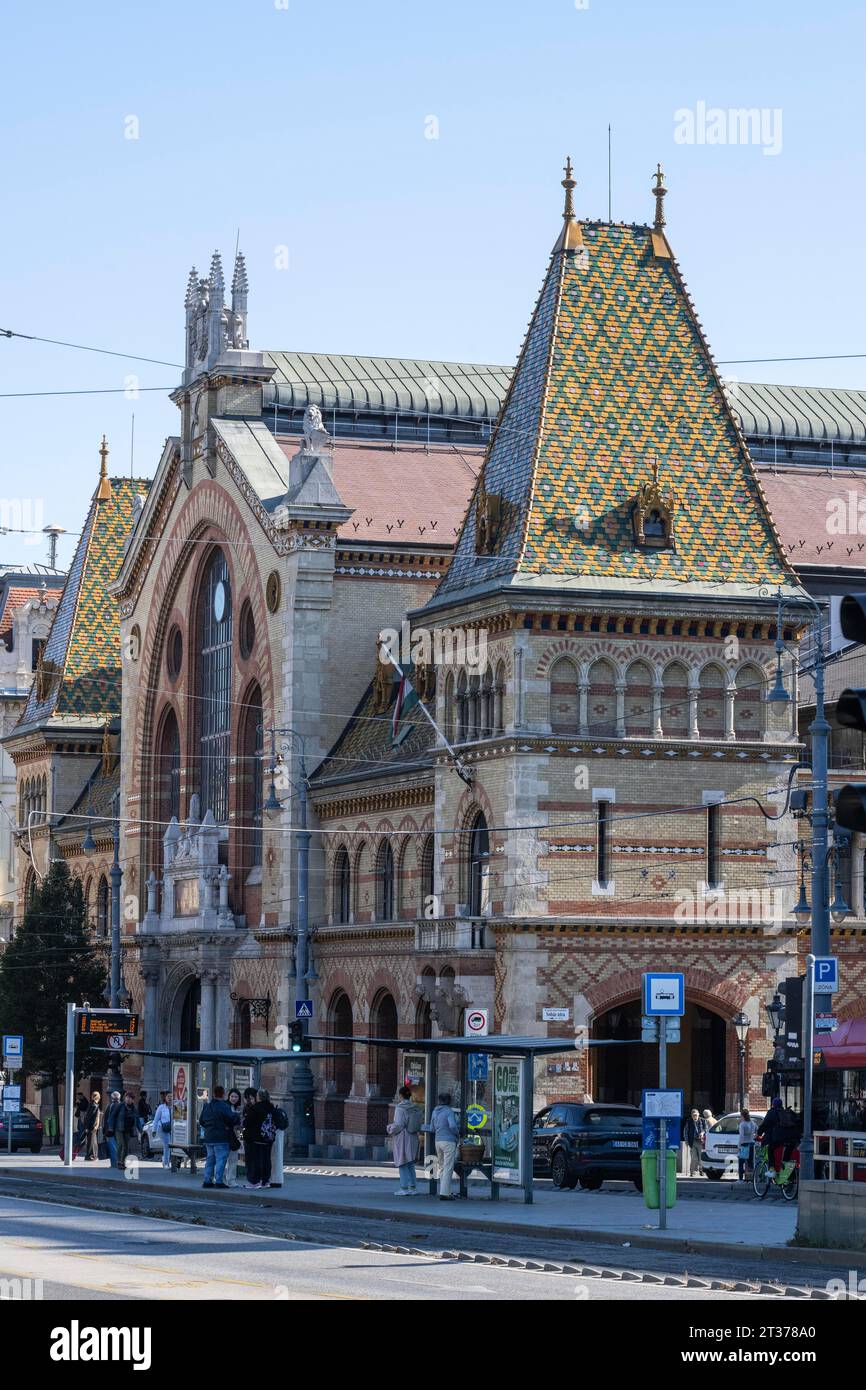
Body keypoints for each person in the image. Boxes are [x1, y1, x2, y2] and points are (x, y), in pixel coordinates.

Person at [386, 1084, 422, 1195]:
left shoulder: (400, 1108)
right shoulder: (415, 1107)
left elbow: (399, 1125)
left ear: (400, 1095)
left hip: (403, 1137)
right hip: (413, 1136)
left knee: (402, 1162)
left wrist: (390, 1129)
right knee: (410, 1163)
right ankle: (413, 1188)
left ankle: (404, 1188)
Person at [199, 1085, 237, 1188]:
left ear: (214, 1094)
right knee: (221, 1159)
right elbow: (231, 1119)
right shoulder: (224, 1106)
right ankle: (219, 1181)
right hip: (221, 1137)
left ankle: (207, 1180)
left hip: (209, 1137)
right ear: (223, 1094)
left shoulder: (207, 1106)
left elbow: (201, 1121)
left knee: (210, 1159)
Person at [243, 1088, 277, 1189]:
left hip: (255, 1138)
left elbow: (247, 1122)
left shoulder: (255, 1108)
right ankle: (265, 1181)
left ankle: (254, 1181)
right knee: (266, 1159)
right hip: (268, 1138)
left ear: (258, 1097)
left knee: (254, 1160)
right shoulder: (271, 1107)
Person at [430, 1091, 460, 1201]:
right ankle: (445, 1193)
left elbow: (431, 1128)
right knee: (448, 1167)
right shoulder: (449, 1112)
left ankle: (443, 1190)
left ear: (439, 1100)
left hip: (438, 1141)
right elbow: (452, 1125)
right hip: (449, 1141)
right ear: (449, 1101)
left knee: (442, 1167)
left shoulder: (434, 1111)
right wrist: (457, 1133)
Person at [756, 1096, 784, 1173]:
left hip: (774, 1138)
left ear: (773, 1105)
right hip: (785, 1138)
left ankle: (772, 1169)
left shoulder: (772, 1112)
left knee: (770, 1150)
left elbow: (765, 1124)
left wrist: (758, 1133)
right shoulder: (784, 1112)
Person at [224, 1088, 244, 1186]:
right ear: (228, 1096)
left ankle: (231, 1179)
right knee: (222, 1159)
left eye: (236, 1097)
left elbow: (240, 1126)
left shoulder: (239, 1109)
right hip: (225, 1136)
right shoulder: (225, 1106)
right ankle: (218, 1178)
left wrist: (241, 1139)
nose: (234, 1098)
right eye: (232, 1096)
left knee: (233, 1159)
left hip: (234, 1138)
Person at [241, 1087, 259, 1186]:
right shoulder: (247, 1108)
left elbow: (246, 1123)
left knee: (252, 1159)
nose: (250, 1100)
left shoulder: (251, 1109)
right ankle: (252, 1178)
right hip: (250, 1137)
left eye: (252, 1098)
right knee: (250, 1159)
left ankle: (253, 1179)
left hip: (252, 1137)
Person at [269, 1100, 289, 1188]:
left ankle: (274, 1180)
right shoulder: (279, 1113)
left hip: (274, 1136)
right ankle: (278, 1180)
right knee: (278, 1158)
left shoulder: (273, 1114)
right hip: (279, 1134)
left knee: (274, 1157)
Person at [150, 1091, 172, 1169]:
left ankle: (165, 1159)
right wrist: (154, 1130)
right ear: (165, 1098)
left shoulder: (175, 1107)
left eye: (171, 1096)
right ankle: (166, 1163)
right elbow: (156, 1119)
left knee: (171, 1146)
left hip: (172, 1129)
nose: (170, 1098)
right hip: (162, 1128)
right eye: (168, 1096)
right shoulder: (161, 1107)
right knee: (167, 1145)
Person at [684, 1107, 705, 1177]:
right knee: (693, 1157)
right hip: (692, 1141)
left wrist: (702, 1133)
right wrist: (686, 1140)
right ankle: (692, 1172)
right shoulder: (689, 1121)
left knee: (700, 1157)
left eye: (696, 1115)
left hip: (700, 1141)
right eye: (693, 1115)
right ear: (691, 1115)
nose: (695, 1117)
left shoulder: (702, 1120)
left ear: (699, 1114)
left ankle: (701, 1170)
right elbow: (686, 1131)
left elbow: (706, 1129)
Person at [104, 1091, 123, 1167]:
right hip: (119, 1129)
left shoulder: (110, 1106)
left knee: (112, 1146)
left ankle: (114, 1163)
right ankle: (118, 1162)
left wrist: (105, 1129)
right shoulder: (122, 1105)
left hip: (110, 1129)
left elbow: (106, 1118)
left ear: (112, 1098)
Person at [738, 1107, 757, 1182]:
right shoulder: (753, 1123)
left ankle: (740, 1179)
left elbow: (741, 1136)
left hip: (744, 1144)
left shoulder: (742, 1124)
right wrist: (753, 1137)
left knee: (741, 1162)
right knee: (751, 1163)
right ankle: (752, 1179)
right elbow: (757, 1131)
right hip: (752, 1144)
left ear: (742, 1115)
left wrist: (739, 1145)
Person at [83, 1091, 102, 1161]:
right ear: (98, 1097)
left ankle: (91, 1156)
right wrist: (87, 1127)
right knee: (92, 1142)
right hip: (92, 1127)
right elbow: (89, 1117)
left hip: (91, 1127)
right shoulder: (94, 1105)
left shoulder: (92, 1104)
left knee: (91, 1142)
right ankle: (91, 1156)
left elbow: (87, 1117)